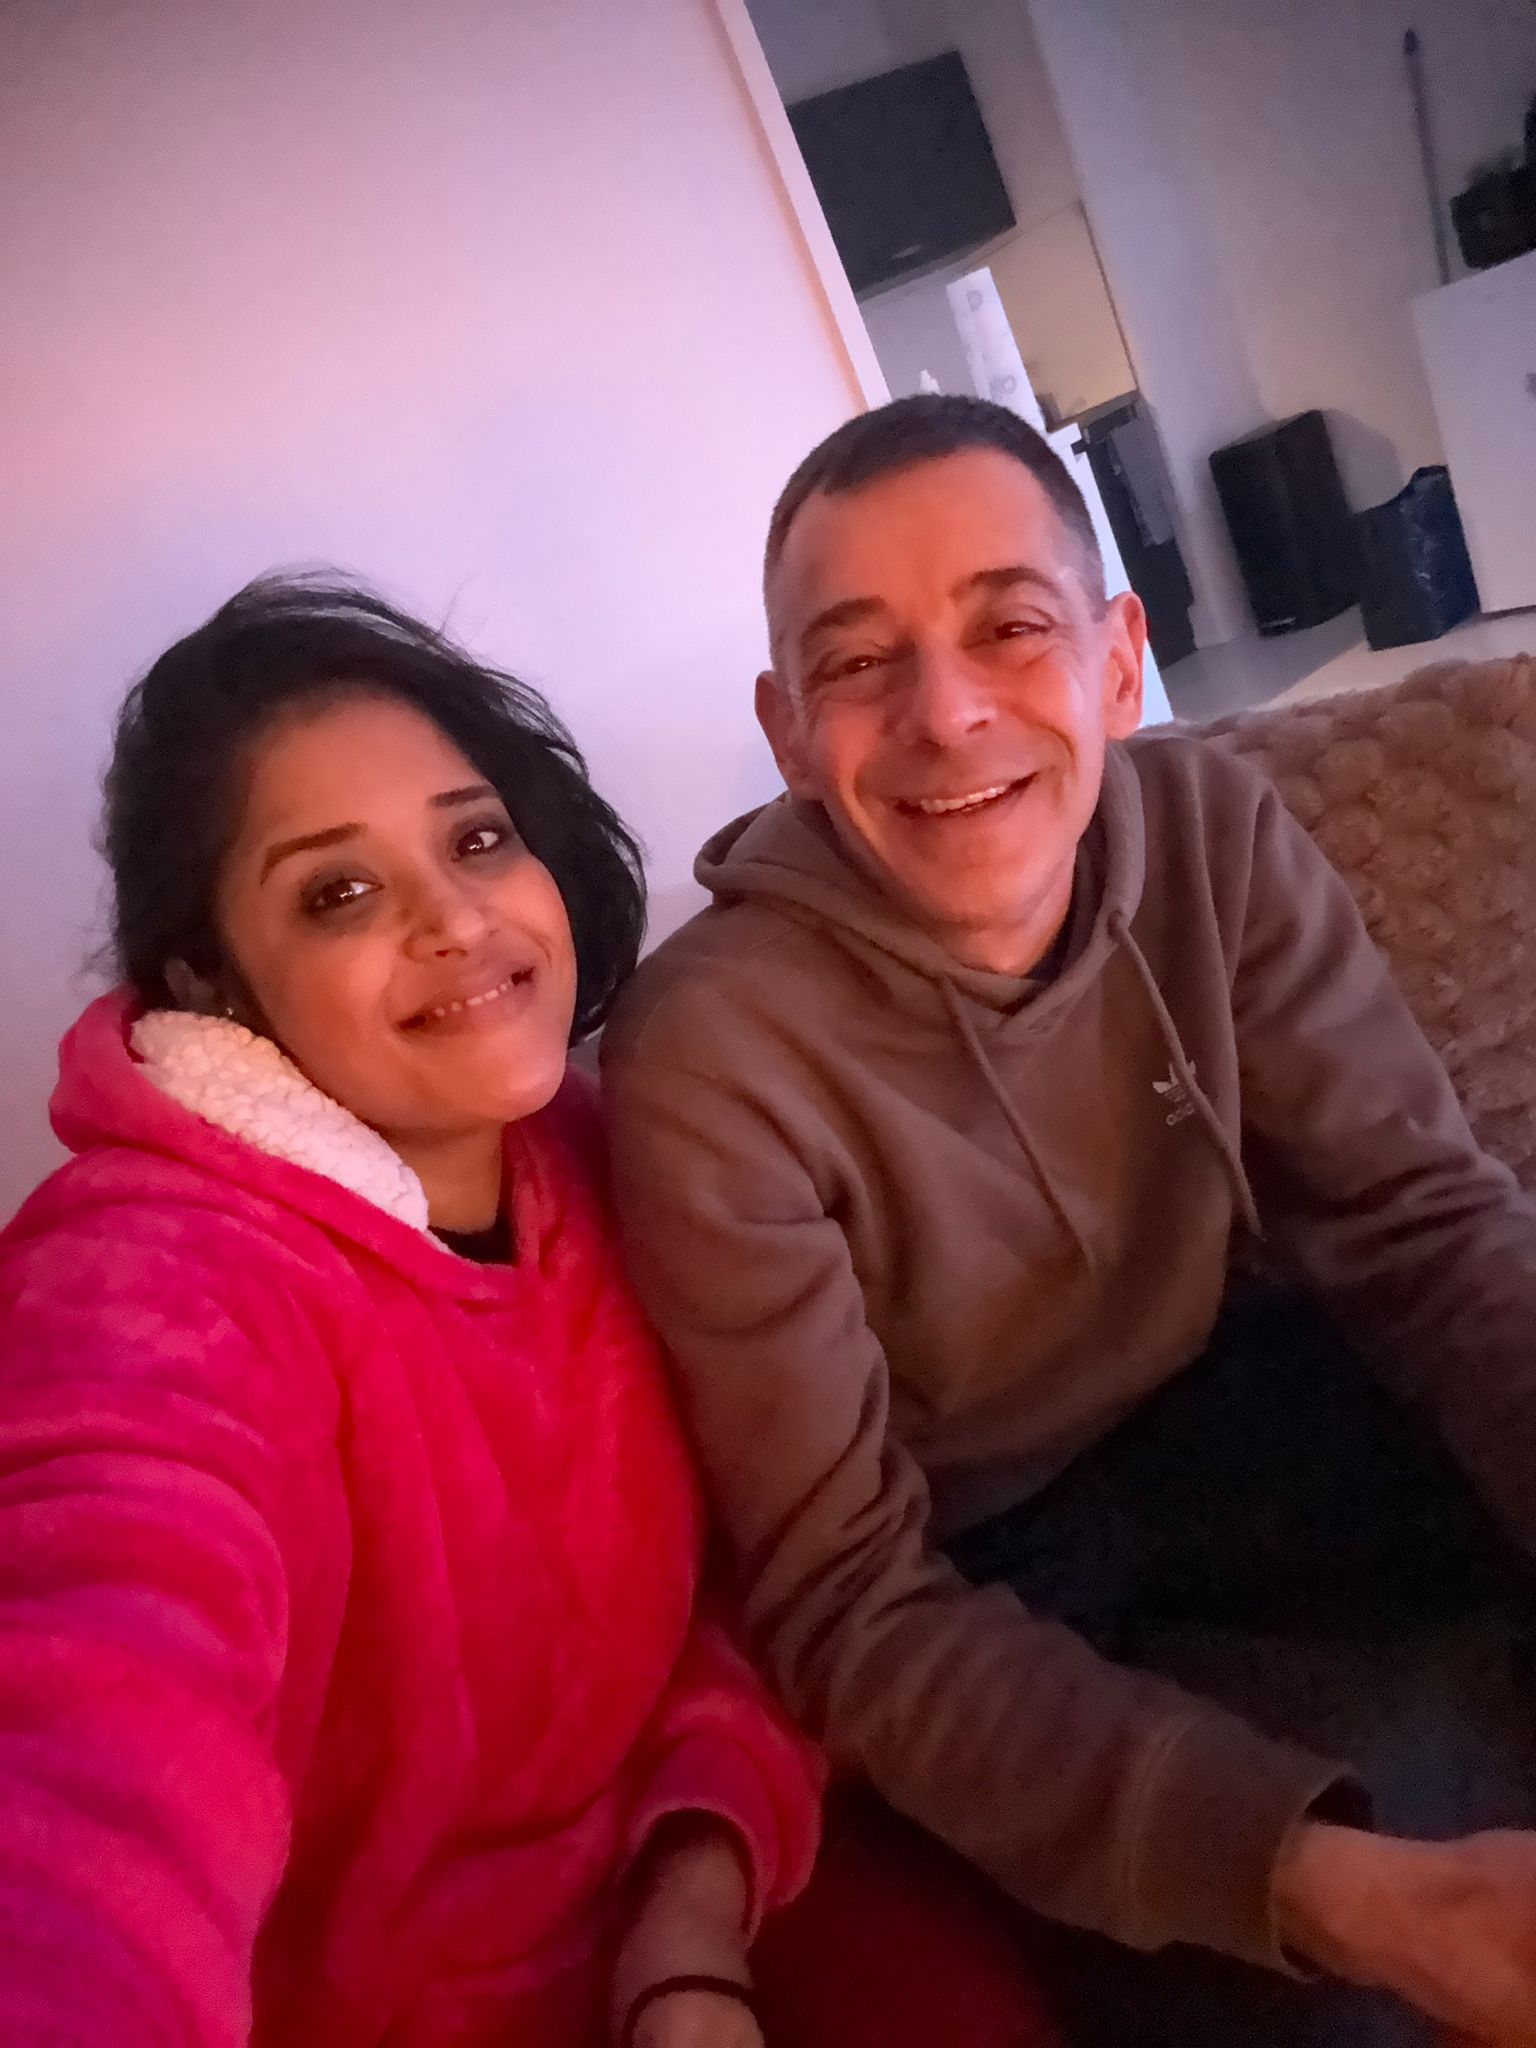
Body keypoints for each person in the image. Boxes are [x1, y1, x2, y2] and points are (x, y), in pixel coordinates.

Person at [601, 395, 1536, 2046]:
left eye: (1009, 627)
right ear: (787, 730)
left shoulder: (1214, 832)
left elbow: (1425, 1229)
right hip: (986, 1555)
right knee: (1331, 1983)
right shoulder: (707, 1054)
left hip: (1238, 1392)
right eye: (859, 661)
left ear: (1117, 660)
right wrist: (1354, 1896)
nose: (946, 714)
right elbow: (849, 1598)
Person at [0, 575, 827, 2048]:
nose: (454, 917)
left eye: (476, 838)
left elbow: (746, 1585)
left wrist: (687, 1932)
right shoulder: (149, 1286)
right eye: (339, 892)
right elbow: (93, 1722)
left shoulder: (598, 1152)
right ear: (212, 981)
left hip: (695, 1920)